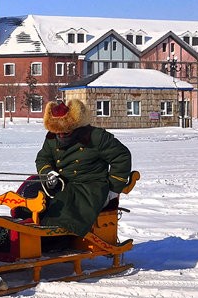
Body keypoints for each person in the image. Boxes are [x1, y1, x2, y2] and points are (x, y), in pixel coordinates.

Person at [32, 99, 132, 237]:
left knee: (60, 216)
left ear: (76, 126)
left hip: (88, 188)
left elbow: (121, 156)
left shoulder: (96, 136)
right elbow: (43, 158)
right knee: (30, 194)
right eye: (57, 132)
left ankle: (51, 239)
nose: (60, 135)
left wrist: (113, 189)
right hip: (60, 183)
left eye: (65, 132)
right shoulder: (52, 137)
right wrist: (48, 172)